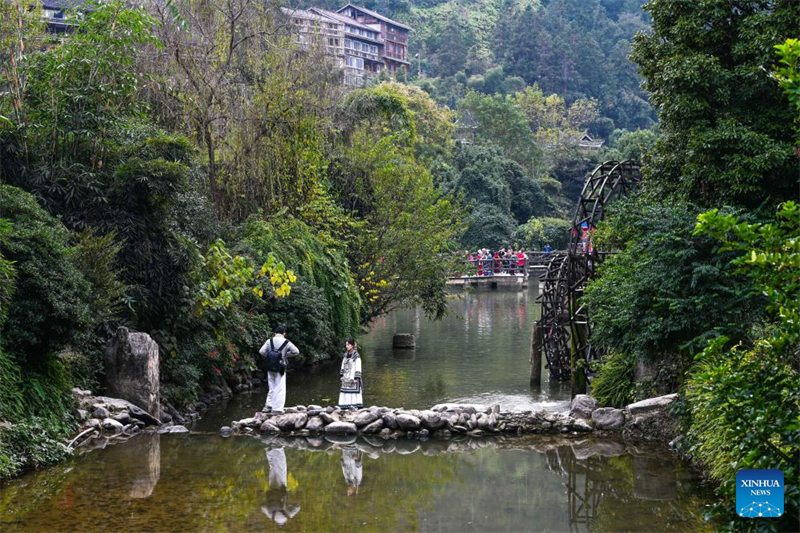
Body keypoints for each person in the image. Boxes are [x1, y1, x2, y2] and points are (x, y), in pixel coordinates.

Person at [259, 324, 300, 415]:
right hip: (280, 367)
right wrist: (285, 355)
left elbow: (261, 351)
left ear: (275, 333)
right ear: (284, 334)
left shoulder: (269, 341)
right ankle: (277, 409)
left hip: (270, 367)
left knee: (271, 386)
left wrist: (270, 356)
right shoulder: (286, 342)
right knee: (280, 387)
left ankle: (268, 406)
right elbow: (296, 352)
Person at [261, 447, 301, 525]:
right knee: (273, 468)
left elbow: (297, 507)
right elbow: (262, 506)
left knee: (281, 467)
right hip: (272, 490)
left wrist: (288, 504)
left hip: (281, 489)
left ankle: (279, 448)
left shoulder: (287, 516)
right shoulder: (271, 516)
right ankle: (269, 450)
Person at [338, 338, 363, 409]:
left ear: (352, 345)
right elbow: (342, 365)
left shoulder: (356, 356)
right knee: (345, 390)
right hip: (346, 377)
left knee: (353, 391)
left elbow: (358, 367)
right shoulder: (345, 355)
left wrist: (356, 378)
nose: (346, 346)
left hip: (353, 377)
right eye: (346, 344)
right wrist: (341, 375)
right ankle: (344, 406)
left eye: (348, 344)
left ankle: (354, 406)